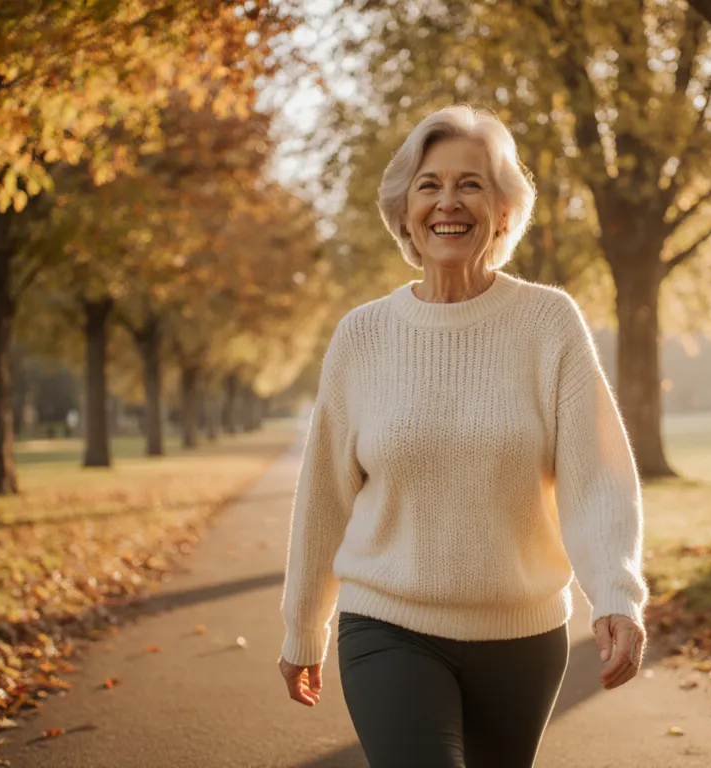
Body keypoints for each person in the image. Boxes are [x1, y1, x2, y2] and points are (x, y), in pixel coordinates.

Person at [277, 104, 648, 768]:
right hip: (387, 626)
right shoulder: (361, 337)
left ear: (504, 211)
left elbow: (598, 478)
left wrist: (615, 592)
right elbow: (325, 497)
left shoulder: (548, 324)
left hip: (522, 637)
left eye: (471, 184)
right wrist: (305, 625)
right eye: (430, 185)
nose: (449, 202)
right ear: (405, 212)